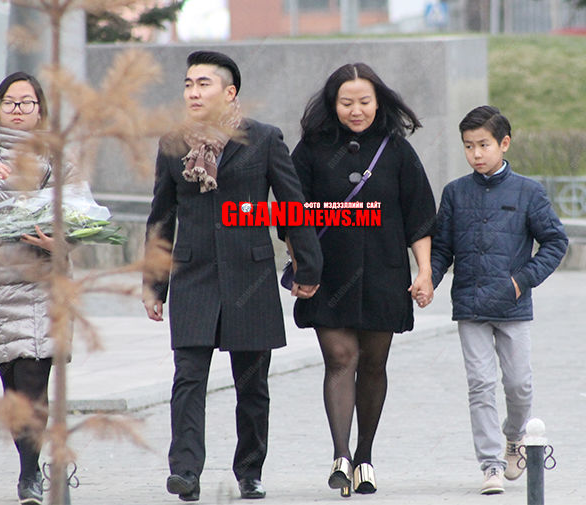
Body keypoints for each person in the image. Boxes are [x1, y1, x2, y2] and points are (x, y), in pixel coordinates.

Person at [142, 51, 322, 502]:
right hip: (193, 275)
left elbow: (293, 207)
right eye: (188, 84)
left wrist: (308, 266)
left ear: (229, 92)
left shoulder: (263, 139)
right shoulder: (173, 143)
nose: (193, 92)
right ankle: (185, 472)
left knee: (252, 384)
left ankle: (250, 471)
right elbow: (161, 218)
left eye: (203, 83)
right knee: (188, 379)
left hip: (250, 275)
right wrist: (153, 284)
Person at [289, 62, 436, 497]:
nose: (356, 110)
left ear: (379, 102)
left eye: (364, 102)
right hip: (328, 274)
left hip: (383, 273)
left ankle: (364, 457)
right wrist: (301, 265)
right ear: (332, 104)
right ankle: (341, 455)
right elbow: (291, 214)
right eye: (346, 102)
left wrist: (425, 271)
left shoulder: (397, 150)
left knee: (373, 364)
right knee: (340, 358)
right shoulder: (312, 149)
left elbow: (419, 216)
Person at [429, 105, 568, 495]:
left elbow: (556, 242)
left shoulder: (528, 192)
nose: (476, 153)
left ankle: (514, 436)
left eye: (484, 145)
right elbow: (442, 249)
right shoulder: (455, 193)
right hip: (470, 305)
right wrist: (429, 280)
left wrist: (522, 281)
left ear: (504, 143)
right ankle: (490, 464)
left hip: (513, 306)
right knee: (480, 384)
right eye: (468, 146)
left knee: (519, 385)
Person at [0, 72, 77, 505]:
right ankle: (32, 468)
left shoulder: (56, 156)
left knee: (33, 382)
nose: (18, 110)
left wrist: (59, 239)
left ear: (40, 109)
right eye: (10, 102)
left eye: (27, 102)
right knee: (14, 391)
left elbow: (80, 212)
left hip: (42, 283)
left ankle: (29, 476)